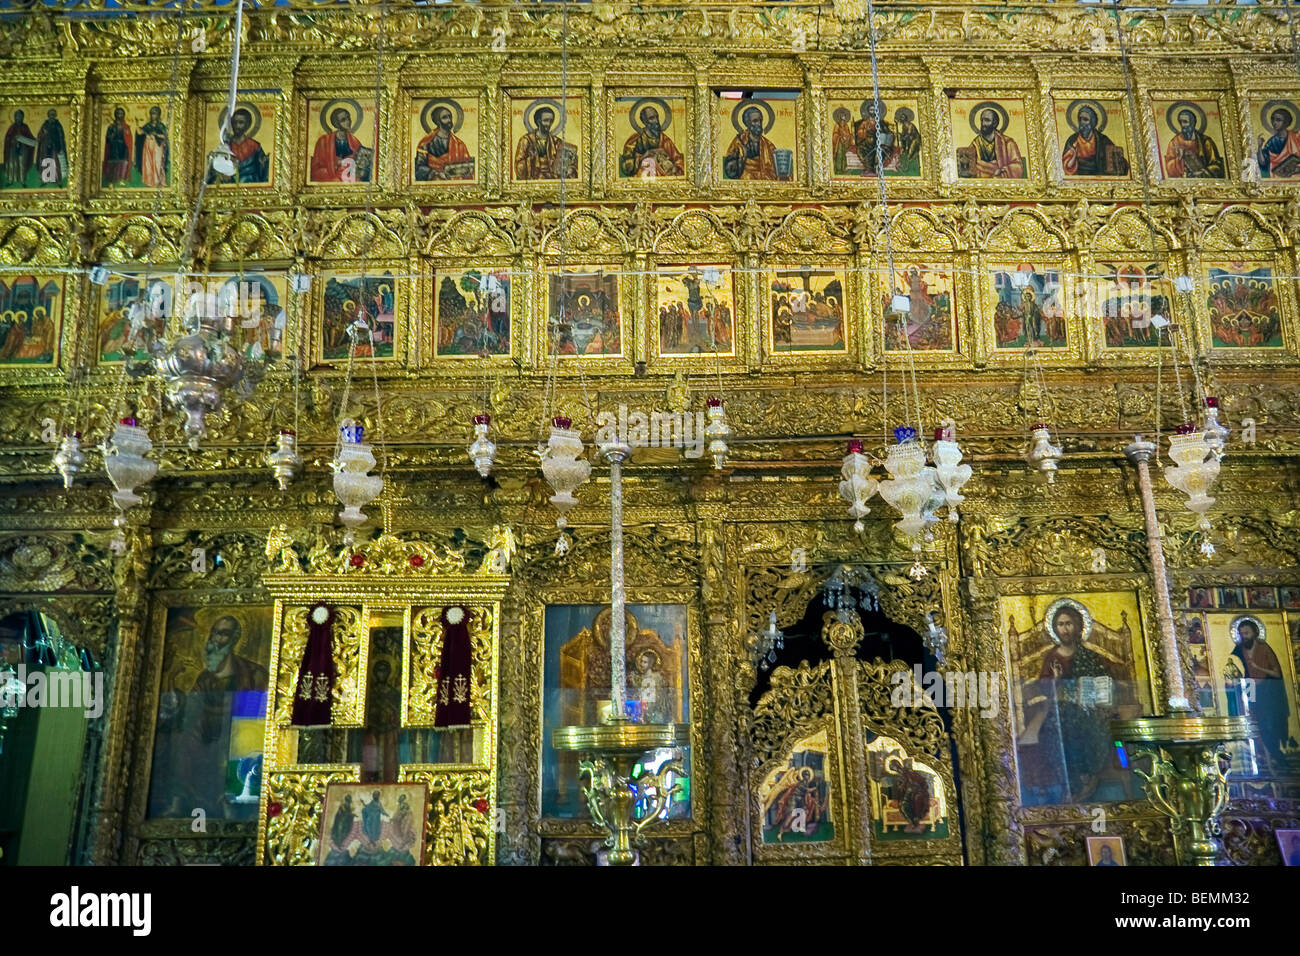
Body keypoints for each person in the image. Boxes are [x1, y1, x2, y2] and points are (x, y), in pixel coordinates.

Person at [1026, 603, 1123, 801]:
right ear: (1055, 628)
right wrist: (1056, 679)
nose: (1065, 629)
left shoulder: (1089, 656)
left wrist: (1098, 695)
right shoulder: (1052, 657)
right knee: (1057, 726)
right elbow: (1043, 688)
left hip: (1090, 707)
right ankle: (1071, 781)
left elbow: (1105, 682)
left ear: (1078, 626)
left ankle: (1088, 776)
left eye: (1069, 624)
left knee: (1091, 725)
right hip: (1062, 708)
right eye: (1060, 624)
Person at [1230, 619, 1291, 763]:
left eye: (1247, 633)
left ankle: (1276, 755)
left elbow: (1276, 673)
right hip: (1250, 690)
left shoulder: (1264, 649)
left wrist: (1258, 667)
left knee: (1269, 723)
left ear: (1255, 633)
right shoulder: (1239, 650)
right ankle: (1260, 755)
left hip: (1267, 691)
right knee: (1254, 722)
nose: (1244, 636)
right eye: (1241, 634)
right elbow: (1236, 670)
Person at [191, 615, 267, 694]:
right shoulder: (204, 679)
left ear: (234, 639)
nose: (215, 639)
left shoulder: (255, 674)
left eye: (223, 634)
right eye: (213, 632)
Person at [1062, 105, 1129, 177]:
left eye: (1085, 119)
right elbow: (1067, 166)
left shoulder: (1102, 140)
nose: (1082, 122)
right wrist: (1074, 154)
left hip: (1099, 177)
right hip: (1079, 178)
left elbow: (1116, 160)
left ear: (1092, 122)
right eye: (1080, 119)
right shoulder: (1073, 140)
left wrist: (1121, 163)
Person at [619, 104, 683, 178]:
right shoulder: (635, 140)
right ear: (644, 121)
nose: (656, 121)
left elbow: (678, 159)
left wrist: (675, 167)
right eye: (651, 118)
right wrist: (643, 156)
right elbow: (626, 166)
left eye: (657, 117)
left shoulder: (665, 140)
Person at [210, 107, 268, 185]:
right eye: (234, 122)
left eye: (241, 122)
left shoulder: (254, 146)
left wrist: (264, 163)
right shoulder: (226, 145)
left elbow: (262, 170)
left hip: (249, 182)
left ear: (248, 124)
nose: (237, 125)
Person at [961, 107, 1025, 178]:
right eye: (982, 120)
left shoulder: (1008, 143)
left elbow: (1018, 167)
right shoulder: (975, 144)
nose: (983, 123)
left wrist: (1002, 171)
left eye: (987, 120)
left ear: (995, 123)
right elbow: (969, 168)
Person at [514, 106, 574, 180]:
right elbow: (518, 164)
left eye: (551, 121)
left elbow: (568, 162)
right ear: (538, 121)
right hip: (534, 179)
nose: (548, 124)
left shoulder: (557, 142)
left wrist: (570, 168)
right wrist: (530, 160)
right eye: (545, 120)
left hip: (553, 179)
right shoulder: (526, 140)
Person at [415, 104, 472, 181]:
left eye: (450, 116)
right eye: (445, 117)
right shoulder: (425, 143)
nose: (449, 120)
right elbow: (419, 168)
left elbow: (467, 169)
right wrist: (435, 173)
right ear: (437, 121)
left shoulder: (459, 144)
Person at [311, 107, 368, 183]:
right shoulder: (324, 141)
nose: (348, 121)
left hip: (348, 175)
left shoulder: (354, 141)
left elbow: (361, 161)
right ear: (337, 123)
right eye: (343, 120)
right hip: (330, 174)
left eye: (348, 118)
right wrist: (336, 163)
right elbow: (316, 167)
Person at [723, 105, 779, 180]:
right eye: (755, 121)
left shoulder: (768, 144)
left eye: (760, 120)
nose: (759, 124)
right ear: (747, 123)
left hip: (764, 179)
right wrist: (742, 158)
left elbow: (775, 167)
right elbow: (729, 168)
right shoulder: (739, 141)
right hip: (746, 178)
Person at [1164, 108, 1224, 178]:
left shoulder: (1205, 141)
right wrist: (1179, 159)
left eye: (1185, 122)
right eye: (1180, 122)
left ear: (1193, 123)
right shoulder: (1174, 142)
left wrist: (1202, 173)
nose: (1183, 125)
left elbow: (1217, 166)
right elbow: (1168, 167)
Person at [1257, 106, 1300, 178]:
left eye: (1278, 120)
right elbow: (1263, 162)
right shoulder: (1271, 142)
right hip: (1277, 177)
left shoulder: (1296, 138)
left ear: (1286, 122)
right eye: (1273, 119)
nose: (1274, 123)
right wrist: (1259, 147)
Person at [136, 106, 169, 188]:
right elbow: (140, 132)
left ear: (158, 115)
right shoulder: (148, 125)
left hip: (157, 146)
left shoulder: (161, 126)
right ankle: (150, 182)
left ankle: (159, 181)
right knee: (148, 163)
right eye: (151, 114)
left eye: (154, 114)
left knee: (158, 163)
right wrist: (137, 125)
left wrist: (156, 134)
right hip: (148, 146)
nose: (152, 116)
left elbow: (165, 136)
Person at [2, 109, 35, 187]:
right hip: (12, 149)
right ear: (14, 117)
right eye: (17, 116)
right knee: (12, 164)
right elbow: (7, 138)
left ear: (23, 117)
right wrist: (13, 139)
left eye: (20, 116)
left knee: (22, 164)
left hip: (23, 149)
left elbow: (30, 137)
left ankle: (22, 181)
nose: (19, 118)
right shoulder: (12, 127)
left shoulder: (25, 127)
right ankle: (10, 180)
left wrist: (34, 140)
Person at [102, 107, 133, 187]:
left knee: (122, 163)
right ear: (115, 115)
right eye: (118, 113)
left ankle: (122, 178)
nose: (120, 115)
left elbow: (129, 139)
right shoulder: (111, 127)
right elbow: (108, 138)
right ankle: (111, 181)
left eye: (122, 113)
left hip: (123, 147)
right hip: (114, 147)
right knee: (113, 163)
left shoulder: (126, 127)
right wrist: (114, 133)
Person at [35, 109, 66, 186]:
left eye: (53, 114)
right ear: (48, 115)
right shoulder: (45, 125)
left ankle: (57, 180)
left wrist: (61, 147)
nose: (52, 116)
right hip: (45, 148)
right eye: (50, 114)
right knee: (45, 162)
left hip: (55, 147)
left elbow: (61, 136)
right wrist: (44, 134)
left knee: (55, 163)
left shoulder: (58, 125)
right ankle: (44, 180)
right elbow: (39, 136)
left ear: (55, 116)